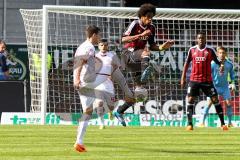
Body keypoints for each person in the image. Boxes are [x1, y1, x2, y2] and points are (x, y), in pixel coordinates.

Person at [114, 3, 174, 126]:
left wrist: (163, 47)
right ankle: (146, 70)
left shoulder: (152, 28)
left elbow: (153, 46)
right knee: (145, 52)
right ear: (141, 16)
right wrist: (140, 36)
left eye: (152, 17)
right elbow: (123, 39)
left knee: (140, 93)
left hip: (139, 60)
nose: (150, 19)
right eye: (147, 16)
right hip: (127, 54)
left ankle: (119, 112)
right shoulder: (135, 24)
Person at [180, 31, 228, 131]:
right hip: (194, 80)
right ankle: (189, 124)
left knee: (215, 100)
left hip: (207, 81)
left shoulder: (210, 50)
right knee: (190, 100)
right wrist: (183, 78)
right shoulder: (192, 50)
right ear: (196, 39)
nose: (201, 40)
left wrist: (221, 65)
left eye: (203, 38)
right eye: (199, 38)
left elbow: (217, 61)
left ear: (205, 39)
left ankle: (223, 124)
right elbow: (186, 64)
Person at [73, 25, 102, 152]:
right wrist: (77, 78)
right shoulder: (89, 47)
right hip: (86, 81)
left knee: (87, 111)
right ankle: (79, 142)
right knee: (88, 111)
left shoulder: (82, 46)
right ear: (94, 35)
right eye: (99, 35)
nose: (100, 38)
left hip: (83, 81)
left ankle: (79, 136)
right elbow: (80, 62)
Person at [200, 46, 235, 127]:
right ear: (217, 54)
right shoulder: (213, 63)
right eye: (220, 53)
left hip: (224, 87)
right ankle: (202, 122)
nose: (221, 54)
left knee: (229, 103)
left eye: (223, 53)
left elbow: (232, 75)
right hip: (214, 86)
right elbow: (207, 73)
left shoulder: (229, 64)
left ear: (225, 54)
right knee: (209, 104)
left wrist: (232, 83)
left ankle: (230, 123)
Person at [94, 39, 121, 129]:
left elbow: (117, 67)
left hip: (108, 84)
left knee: (110, 106)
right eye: (101, 45)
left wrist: (111, 74)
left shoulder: (112, 56)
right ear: (98, 46)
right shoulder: (95, 56)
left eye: (105, 45)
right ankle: (101, 123)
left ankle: (110, 112)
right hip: (98, 83)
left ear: (108, 46)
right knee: (99, 103)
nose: (103, 47)